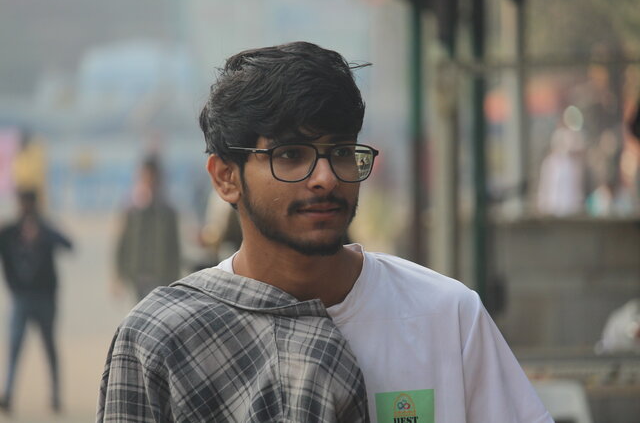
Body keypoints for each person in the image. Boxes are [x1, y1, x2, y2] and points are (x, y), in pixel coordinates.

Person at [97, 42, 552, 422]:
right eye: (290, 154)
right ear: (225, 177)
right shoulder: (163, 339)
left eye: (340, 152)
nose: (326, 178)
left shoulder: (445, 317)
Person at [0, 190, 72, 414]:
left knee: (48, 347)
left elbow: (69, 245)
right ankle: (8, 394)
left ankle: (55, 395)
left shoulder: (45, 230)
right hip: (20, 297)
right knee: (15, 347)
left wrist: (44, 232)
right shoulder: (10, 232)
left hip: (44, 298)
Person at [114, 155, 181, 301]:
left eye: (151, 177)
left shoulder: (167, 210)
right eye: (144, 176)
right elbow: (121, 243)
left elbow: (175, 248)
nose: (148, 181)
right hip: (137, 276)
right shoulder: (131, 208)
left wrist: (176, 281)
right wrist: (118, 277)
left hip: (161, 277)